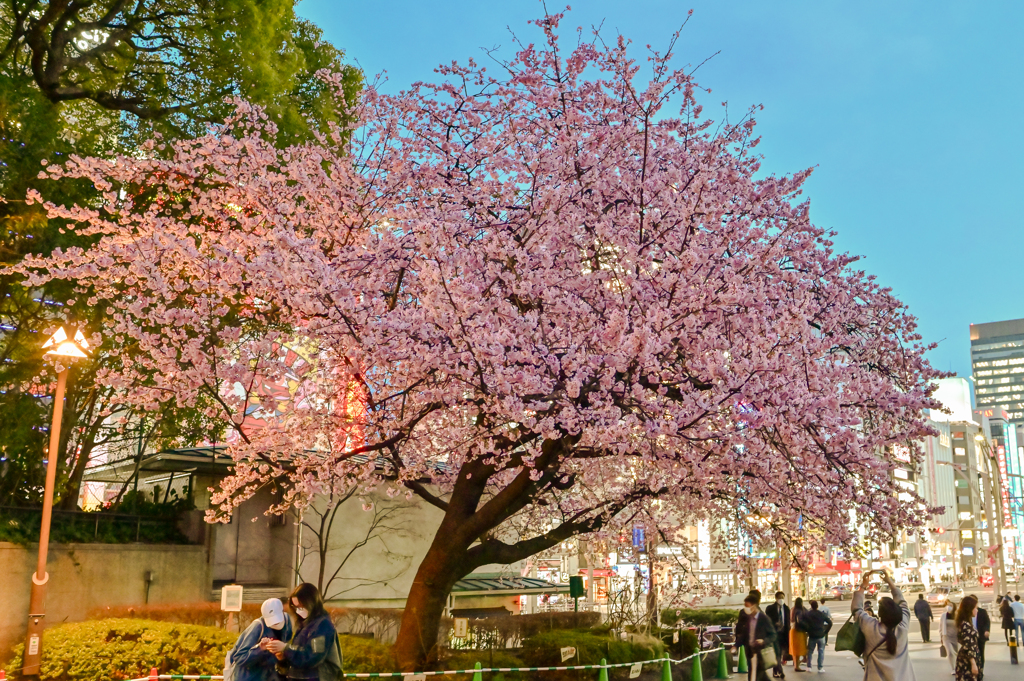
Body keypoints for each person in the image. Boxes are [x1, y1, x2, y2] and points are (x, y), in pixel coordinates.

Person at [266, 583, 341, 681]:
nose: (298, 610)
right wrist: (283, 658)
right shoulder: (305, 625)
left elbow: (312, 657)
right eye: (295, 607)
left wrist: (286, 648)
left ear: (311, 603)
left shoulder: (322, 625)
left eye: (301, 606)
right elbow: (301, 655)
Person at [852, 570, 915, 681]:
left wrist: (863, 586)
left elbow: (856, 609)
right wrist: (889, 581)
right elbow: (902, 602)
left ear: (880, 614)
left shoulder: (871, 627)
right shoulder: (903, 627)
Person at [228, 599, 293, 681]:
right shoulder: (258, 626)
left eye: (277, 619)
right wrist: (260, 649)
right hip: (250, 677)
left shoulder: (287, 621)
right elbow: (239, 657)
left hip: (271, 675)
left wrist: (283, 652)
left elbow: (288, 642)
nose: (275, 624)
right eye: (272, 621)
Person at [734, 592, 778, 681]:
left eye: (747, 605)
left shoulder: (763, 618)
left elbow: (773, 634)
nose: (746, 608)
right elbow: (744, 634)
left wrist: (764, 641)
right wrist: (735, 646)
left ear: (754, 606)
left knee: (757, 675)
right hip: (750, 652)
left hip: (760, 652)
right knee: (758, 675)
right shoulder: (749, 618)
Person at [764, 592, 791, 678]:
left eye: (782, 597)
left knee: (780, 654)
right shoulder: (770, 608)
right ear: (776, 598)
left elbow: (788, 622)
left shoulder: (786, 609)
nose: (781, 600)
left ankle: (776, 671)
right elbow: (767, 621)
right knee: (777, 653)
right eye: (780, 598)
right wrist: (774, 623)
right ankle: (780, 670)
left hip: (783, 634)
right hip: (774, 634)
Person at [955, 596, 981, 681]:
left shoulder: (966, 622)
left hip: (968, 659)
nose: (976, 610)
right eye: (975, 608)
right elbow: (968, 645)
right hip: (967, 662)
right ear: (969, 609)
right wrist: (973, 663)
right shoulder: (965, 625)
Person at [802, 600, 832, 673]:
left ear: (811, 606)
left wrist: (807, 630)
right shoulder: (821, 614)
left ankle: (809, 666)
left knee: (810, 651)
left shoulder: (808, 614)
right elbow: (830, 622)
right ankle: (820, 667)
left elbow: (803, 622)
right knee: (821, 651)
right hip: (821, 635)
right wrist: (825, 631)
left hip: (812, 635)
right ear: (817, 606)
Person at [971, 595, 990, 670]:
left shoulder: (982, 612)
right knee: (972, 654)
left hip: (980, 636)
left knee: (981, 653)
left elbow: (987, 622)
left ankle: (981, 669)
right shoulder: (966, 613)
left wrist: (986, 630)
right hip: (970, 637)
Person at [790, 598, 808, 672]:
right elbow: (799, 620)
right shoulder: (799, 610)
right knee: (799, 648)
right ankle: (797, 666)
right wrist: (807, 626)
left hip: (792, 630)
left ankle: (796, 665)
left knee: (795, 649)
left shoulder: (793, 609)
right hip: (799, 631)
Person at [940, 602, 959, 674]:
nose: (949, 607)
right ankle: (953, 668)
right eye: (948, 605)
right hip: (946, 637)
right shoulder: (944, 615)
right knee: (950, 652)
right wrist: (941, 637)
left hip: (956, 637)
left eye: (951, 605)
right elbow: (941, 626)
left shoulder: (957, 615)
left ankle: (958, 666)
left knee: (957, 653)